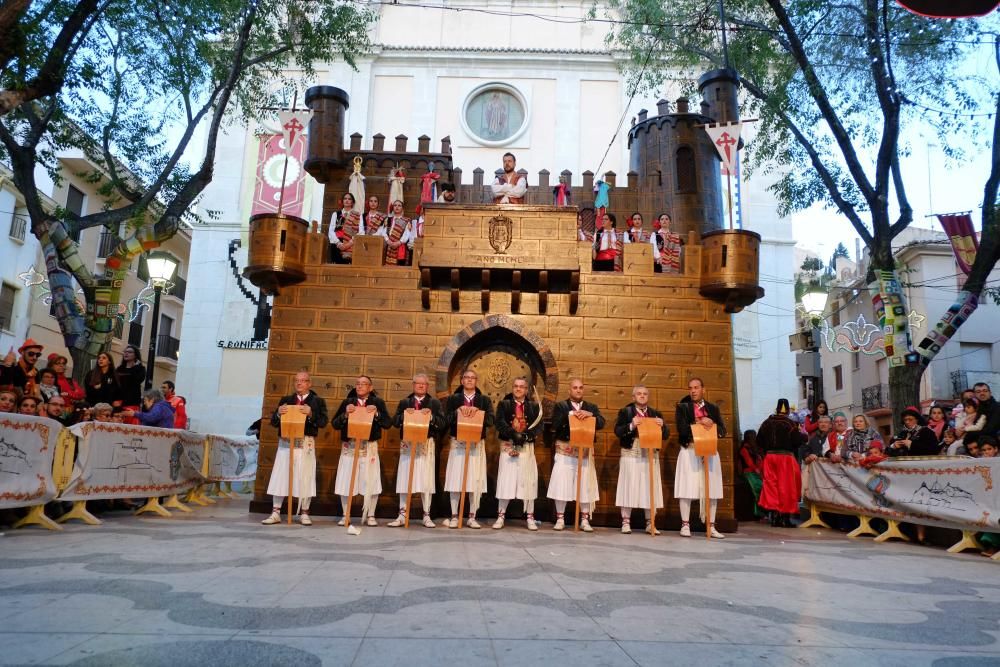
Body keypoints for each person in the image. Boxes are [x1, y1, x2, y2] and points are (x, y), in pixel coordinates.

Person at [261, 369, 328, 526]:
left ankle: (304, 512)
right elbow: (274, 422)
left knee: (305, 477)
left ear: (309, 383)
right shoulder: (286, 400)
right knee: (281, 476)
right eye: (296, 380)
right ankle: (276, 511)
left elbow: (323, 422)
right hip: (286, 444)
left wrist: (311, 414)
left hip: (305, 444)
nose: (299, 383)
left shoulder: (317, 401)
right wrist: (278, 413)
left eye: (303, 380)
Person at [331, 375, 392, 531]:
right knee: (346, 480)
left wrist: (377, 413)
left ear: (370, 387)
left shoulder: (377, 402)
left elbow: (387, 423)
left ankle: (370, 514)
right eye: (357, 384)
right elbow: (335, 424)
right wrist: (345, 414)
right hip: (350, 447)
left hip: (368, 447)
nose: (360, 386)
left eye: (363, 384)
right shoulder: (347, 402)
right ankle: (346, 514)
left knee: (371, 480)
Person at [548, 378, 604, 532]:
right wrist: (571, 414)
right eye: (575, 388)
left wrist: (590, 415)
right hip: (565, 450)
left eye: (580, 388)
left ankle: (584, 520)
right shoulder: (561, 406)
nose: (578, 390)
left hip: (584, 452)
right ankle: (560, 518)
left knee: (585, 486)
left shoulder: (590, 407)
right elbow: (555, 424)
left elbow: (601, 422)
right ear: (569, 390)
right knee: (562, 484)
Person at [388, 373, 443, 528]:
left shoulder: (434, 403)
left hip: (426, 445)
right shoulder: (405, 402)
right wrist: (406, 415)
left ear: (427, 386)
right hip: (408, 445)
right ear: (413, 385)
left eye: (423, 384)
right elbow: (394, 421)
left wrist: (431, 417)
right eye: (417, 383)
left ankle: (426, 515)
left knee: (426, 480)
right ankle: (402, 514)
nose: (420, 386)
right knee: (405, 479)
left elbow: (443, 422)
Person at [674, 377, 727, 538]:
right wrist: (699, 424)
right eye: (690, 388)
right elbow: (682, 429)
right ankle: (685, 525)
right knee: (687, 488)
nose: (693, 391)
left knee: (712, 489)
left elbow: (723, 431)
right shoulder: (683, 408)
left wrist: (712, 423)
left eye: (696, 387)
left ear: (703, 389)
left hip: (709, 452)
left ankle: (711, 525)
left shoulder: (713, 408)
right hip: (689, 450)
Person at [443, 369, 494, 528]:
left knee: (474, 479)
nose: (470, 380)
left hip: (476, 445)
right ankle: (454, 515)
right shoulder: (453, 399)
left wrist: (480, 412)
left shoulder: (484, 400)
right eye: (467, 377)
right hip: (458, 444)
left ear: (476, 381)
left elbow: (491, 420)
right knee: (455, 479)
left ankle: (472, 516)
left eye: (473, 378)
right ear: (462, 381)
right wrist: (457, 412)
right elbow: (445, 420)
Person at [615, 384, 669, 535]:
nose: (642, 396)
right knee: (628, 485)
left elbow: (665, 435)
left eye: (645, 393)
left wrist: (663, 426)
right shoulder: (626, 412)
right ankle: (626, 522)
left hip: (650, 453)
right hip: (632, 451)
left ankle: (650, 522)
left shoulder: (655, 413)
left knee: (649, 486)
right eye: (639, 394)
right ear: (633, 397)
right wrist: (631, 425)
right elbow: (618, 431)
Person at [493, 377, 542, 531]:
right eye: (516, 386)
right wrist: (512, 434)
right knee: (505, 481)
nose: (518, 389)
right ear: (512, 388)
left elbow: (538, 426)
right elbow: (499, 422)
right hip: (508, 447)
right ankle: (501, 516)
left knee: (528, 482)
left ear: (526, 390)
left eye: (522, 387)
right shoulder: (504, 404)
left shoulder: (534, 407)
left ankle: (530, 517)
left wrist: (526, 436)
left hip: (526, 449)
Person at [756, 399, 807, 527]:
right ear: (788, 410)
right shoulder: (790, 423)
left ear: (776, 409)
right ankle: (785, 517)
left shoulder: (766, 423)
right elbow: (797, 440)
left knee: (771, 486)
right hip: (785, 458)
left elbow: (758, 441)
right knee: (786, 487)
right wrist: (804, 436)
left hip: (770, 457)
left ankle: (774, 517)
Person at [328, 192, 363, 264]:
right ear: (342, 201)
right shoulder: (336, 214)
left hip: (352, 245)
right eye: (345, 199)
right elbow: (331, 231)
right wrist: (338, 243)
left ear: (352, 202)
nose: (347, 200)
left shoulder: (358, 215)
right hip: (337, 245)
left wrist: (349, 243)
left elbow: (361, 231)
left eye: (349, 199)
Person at [738, 429, 764, 519]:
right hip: (749, 473)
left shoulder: (754, 449)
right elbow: (749, 462)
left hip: (755, 473)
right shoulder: (744, 449)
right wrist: (756, 469)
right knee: (758, 489)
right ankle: (758, 513)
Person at [378, 200, 413, 266]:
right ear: (393, 208)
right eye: (395, 205)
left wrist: (399, 242)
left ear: (402, 208)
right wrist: (388, 241)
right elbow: (384, 232)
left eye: (399, 205)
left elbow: (407, 234)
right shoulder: (388, 219)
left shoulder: (406, 220)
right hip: (388, 246)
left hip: (400, 247)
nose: (397, 207)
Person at [115, 345, 145, 412]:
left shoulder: (140, 369)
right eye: (125, 352)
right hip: (118, 403)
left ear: (135, 355)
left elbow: (137, 380)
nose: (126, 353)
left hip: (132, 403)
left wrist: (134, 367)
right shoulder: (119, 369)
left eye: (129, 352)